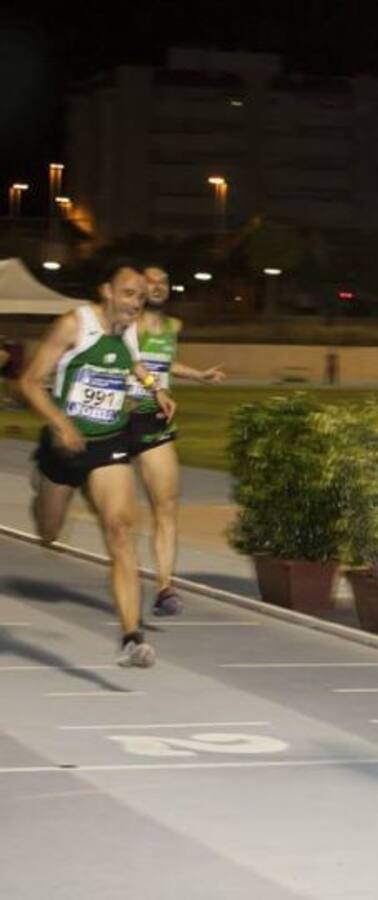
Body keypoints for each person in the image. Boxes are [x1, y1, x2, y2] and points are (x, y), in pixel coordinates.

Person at [19, 261, 175, 667]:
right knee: (49, 532)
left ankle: (131, 638)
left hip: (108, 441)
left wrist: (154, 390)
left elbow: (133, 362)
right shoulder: (74, 324)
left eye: (141, 298)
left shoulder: (128, 329)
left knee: (121, 529)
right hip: (64, 445)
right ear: (106, 291)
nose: (135, 303)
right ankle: (43, 485)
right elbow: (29, 382)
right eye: (128, 294)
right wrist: (60, 424)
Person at [127, 265, 224, 616]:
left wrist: (198, 375)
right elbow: (127, 361)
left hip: (153, 420)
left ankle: (164, 588)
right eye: (150, 281)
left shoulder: (173, 327)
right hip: (116, 419)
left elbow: (164, 363)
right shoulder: (127, 324)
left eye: (163, 281)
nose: (157, 286)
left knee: (165, 507)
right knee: (108, 509)